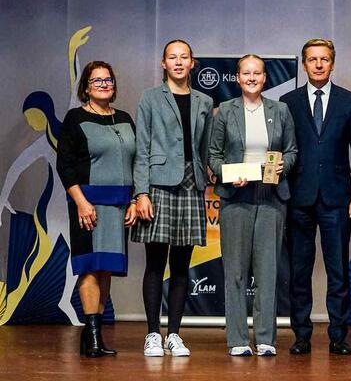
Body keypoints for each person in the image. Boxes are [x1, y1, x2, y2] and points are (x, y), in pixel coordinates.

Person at [279, 39, 351, 356]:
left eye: (324, 59)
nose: (318, 64)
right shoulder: (288, 102)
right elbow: (282, 149)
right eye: (313, 59)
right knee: (299, 272)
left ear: (333, 63)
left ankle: (338, 335)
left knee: (338, 272)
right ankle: (301, 335)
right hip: (298, 199)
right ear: (304, 64)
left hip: (337, 198)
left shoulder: (349, 100)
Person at [208, 54, 298, 356]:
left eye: (257, 73)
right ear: (237, 78)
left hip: (271, 198)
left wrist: (284, 165)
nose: (251, 78)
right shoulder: (224, 111)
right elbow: (213, 156)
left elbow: (292, 151)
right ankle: (237, 339)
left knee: (267, 272)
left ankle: (265, 339)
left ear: (265, 78)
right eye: (246, 73)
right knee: (235, 272)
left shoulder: (280, 110)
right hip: (236, 199)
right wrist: (228, 174)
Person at [131, 39, 214, 358]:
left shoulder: (204, 100)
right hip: (158, 186)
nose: (178, 62)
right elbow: (142, 149)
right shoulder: (150, 98)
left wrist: (216, 175)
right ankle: (153, 333)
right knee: (155, 263)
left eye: (184, 57)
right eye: (172, 57)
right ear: (163, 63)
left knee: (182, 266)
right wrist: (141, 193)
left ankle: (174, 335)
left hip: (192, 184)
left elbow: (206, 150)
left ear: (192, 63)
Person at [57, 61, 137, 357]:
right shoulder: (75, 118)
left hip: (119, 206)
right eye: (97, 80)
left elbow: (135, 162)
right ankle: (91, 336)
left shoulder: (125, 118)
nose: (104, 84)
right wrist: (81, 202)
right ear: (86, 87)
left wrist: (133, 200)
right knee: (90, 267)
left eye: (108, 80)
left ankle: (95, 335)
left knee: (106, 269)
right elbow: (65, 165)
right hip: (88, 206)